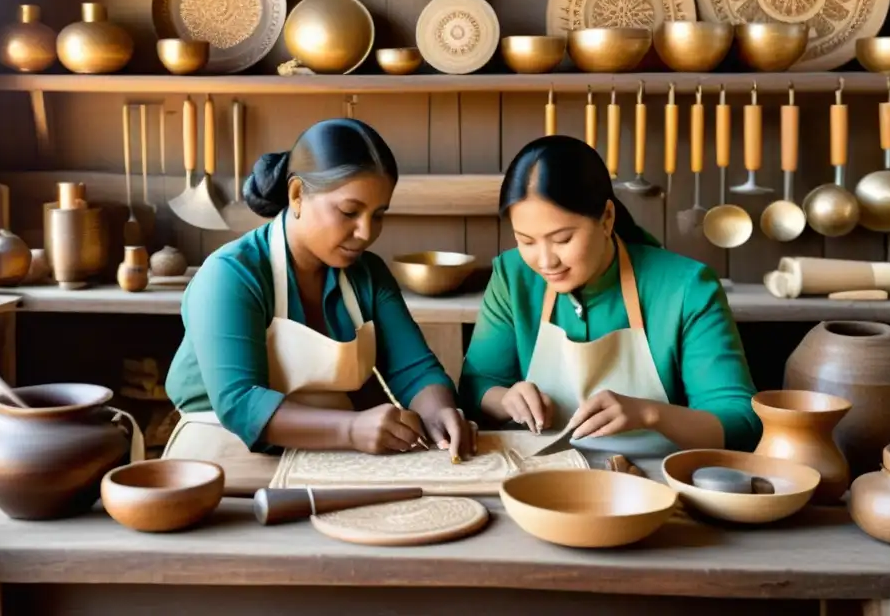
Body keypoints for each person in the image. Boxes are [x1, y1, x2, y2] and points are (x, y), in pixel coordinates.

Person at [164, 118, 475, 471]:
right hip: (222, 449)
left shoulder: (368, 275)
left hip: (332, 449)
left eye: (379, 215)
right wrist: (352, 429)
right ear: (297, 195)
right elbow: (240, 403)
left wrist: (440, 413)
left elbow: (415, 371)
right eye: (349, 212)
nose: (366, 232)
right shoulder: (231, 275)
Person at [459, 135, 760, 455]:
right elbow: (475, 385)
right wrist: (505, 399)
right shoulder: (512, 276)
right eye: (526, 241)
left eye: (562, 239)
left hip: (649, 483)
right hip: (539, 476)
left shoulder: (687, 287)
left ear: (606, 218)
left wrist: (649, 414)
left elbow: (741, 422)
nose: (546, 261)